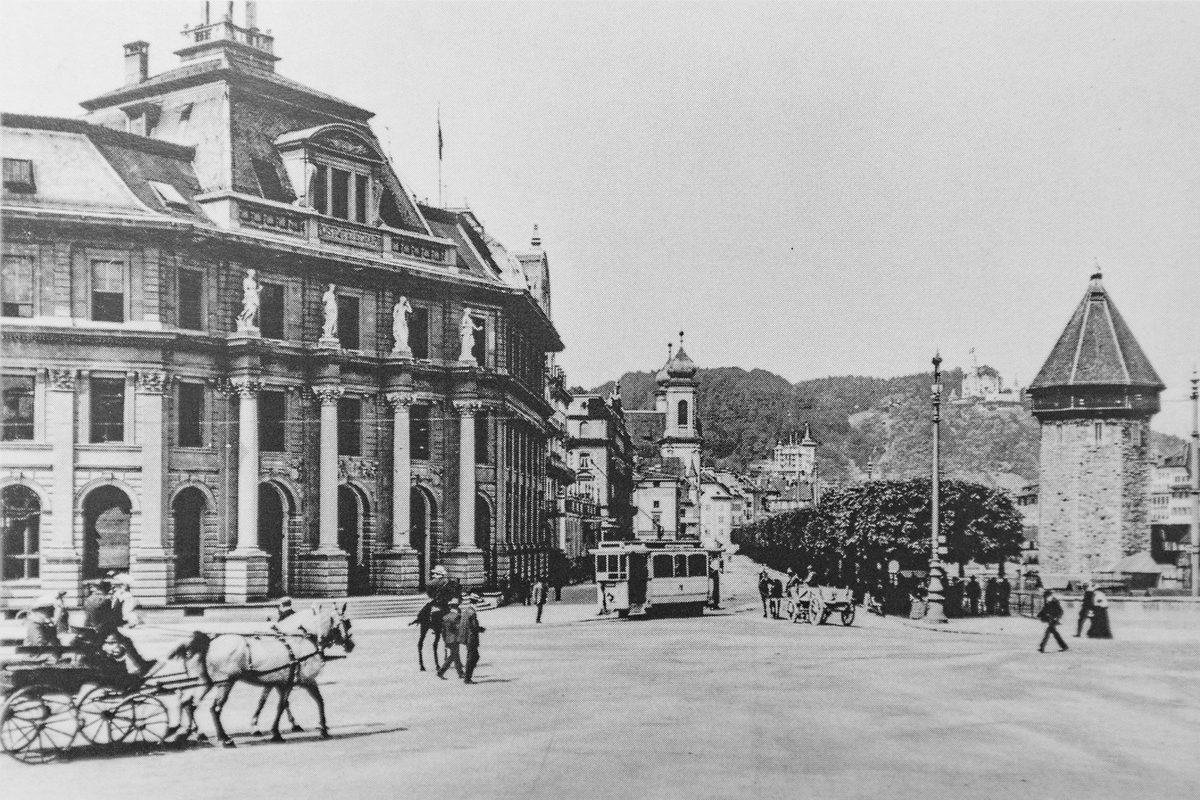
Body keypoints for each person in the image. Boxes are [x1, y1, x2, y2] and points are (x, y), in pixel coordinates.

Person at [460, 593, 486, 684]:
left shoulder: (466, 611)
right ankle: (467, 677)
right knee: (472, 657)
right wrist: (480, 629)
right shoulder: (472, 613)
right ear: (475, 602)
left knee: (473, 656)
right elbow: (474, 626)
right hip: (472, 638)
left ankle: (468, 675)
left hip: (467, 637)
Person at [436, 597, 464, 679]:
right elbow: (459, 628)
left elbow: (443, 631)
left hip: (448, 639)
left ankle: (460, 673)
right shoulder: (457, 616)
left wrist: (445, 641)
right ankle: (441, 672)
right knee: (453, 656)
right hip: (455, 639)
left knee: (455, 656)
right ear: (457, 607)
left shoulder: (445, 617)